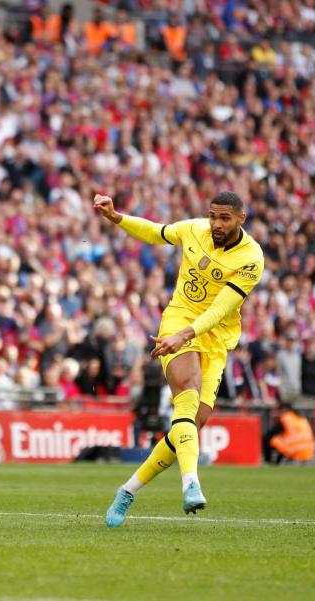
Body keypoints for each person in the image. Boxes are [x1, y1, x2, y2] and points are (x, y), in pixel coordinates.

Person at [95, 191, 264, 526]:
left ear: (241, 219)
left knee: (191, 426)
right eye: (213, 216)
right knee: (185, 400)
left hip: (214, 338)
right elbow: (155, 232)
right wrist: (116, 217)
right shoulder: (193, 229)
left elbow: (220, 310)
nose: (216, 224)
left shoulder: (251, 258)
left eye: (224, 218)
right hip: (177, 321)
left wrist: (186, 335)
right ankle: (191, 484)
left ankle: (128, 490)